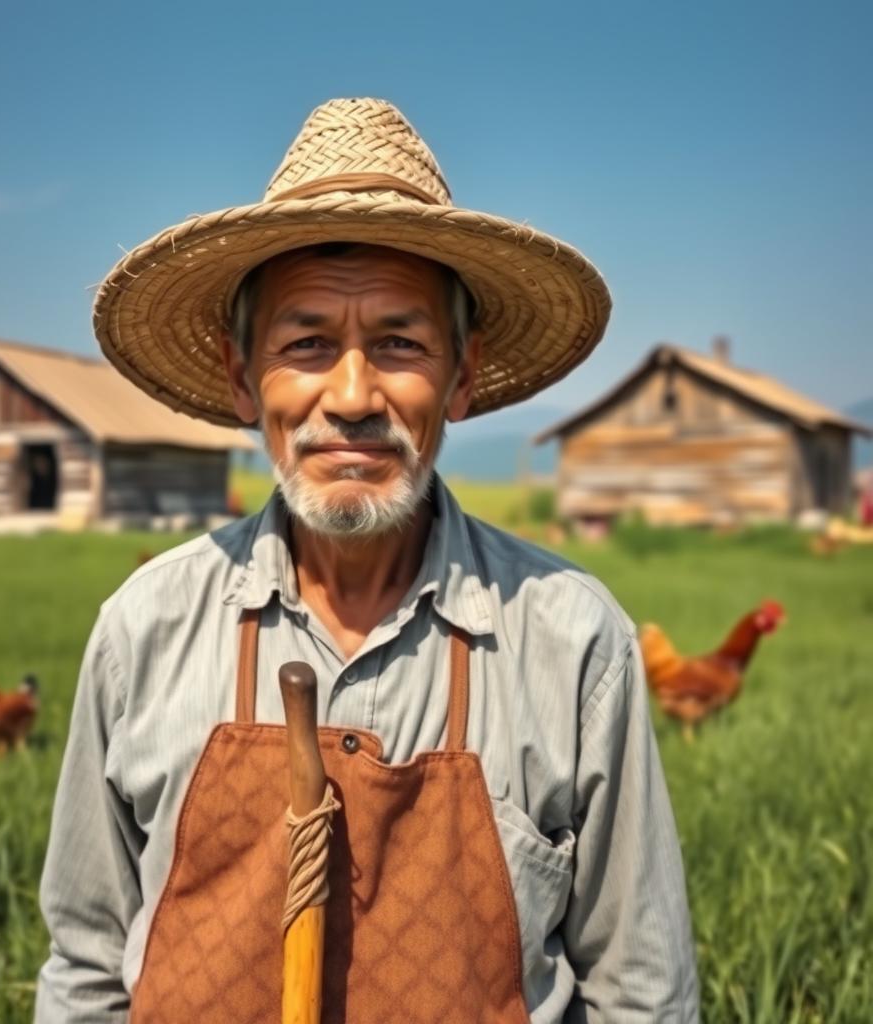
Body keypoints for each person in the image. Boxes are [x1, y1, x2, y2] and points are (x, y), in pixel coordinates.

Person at [36, 98, 698, 1023]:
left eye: (400, 344)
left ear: (461, 379)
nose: (352, 397)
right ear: (241, 379)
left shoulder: (572, 640)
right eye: (306, 344)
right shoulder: (143, 630)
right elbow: (87, 968)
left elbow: (643, 991)